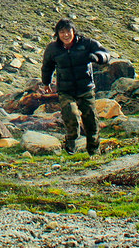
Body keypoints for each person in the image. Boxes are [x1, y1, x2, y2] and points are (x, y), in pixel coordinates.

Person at [39, 18, 111, 154]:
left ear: (74, 31)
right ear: (57, 34)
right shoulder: (53, 49)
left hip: (86, 88)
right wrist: (46, 83)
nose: (66, 35)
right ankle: (71, 140)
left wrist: (98, 57)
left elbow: (106, 53)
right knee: (70, 115)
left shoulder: (86, 43)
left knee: (91, 121)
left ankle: (94, 151)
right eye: (62, 32)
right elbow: (47, 66)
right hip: (66, 90)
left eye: (68, 31)